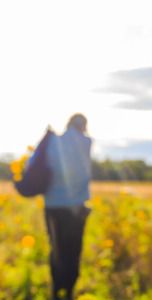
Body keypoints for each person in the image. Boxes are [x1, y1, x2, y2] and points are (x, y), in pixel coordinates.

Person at [43, 113, 92, 300]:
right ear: (83, 126)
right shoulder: (86, 142)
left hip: (52, 206)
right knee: (73, 251)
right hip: (76, 208)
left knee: (56, 248)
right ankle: (69, 291)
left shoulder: (52, 141)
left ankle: (56, 290)